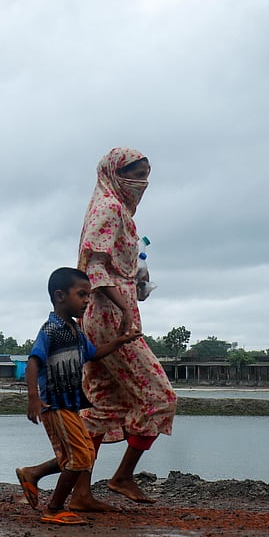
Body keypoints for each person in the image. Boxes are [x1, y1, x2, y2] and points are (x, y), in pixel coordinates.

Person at [76, 147, 177, 505]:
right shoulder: (110, 208)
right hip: (111, 322)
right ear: (115, 174)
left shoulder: (113, 209)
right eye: (136, 175)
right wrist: (126, 311)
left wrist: (136, 287)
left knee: (105, 405)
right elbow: (94, 270)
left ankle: (80, 493)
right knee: (160, 397)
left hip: (104, 317)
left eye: (146, 175)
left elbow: (108, 267)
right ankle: (122, 477)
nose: (142, 183)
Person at [16, 267, 140, 525]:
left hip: (71, 406)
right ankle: (54, 509)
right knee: (80, 457)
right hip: (56, 405)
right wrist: (33, 397)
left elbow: (93, 354)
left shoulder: (75, 331)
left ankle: (32, 474)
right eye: (82, 294)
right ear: (60, 296)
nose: (87, 301)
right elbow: (32, 362)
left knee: (82, 455)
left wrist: (121, 341)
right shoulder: (51, 330)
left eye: (88, 295)